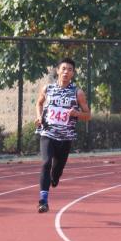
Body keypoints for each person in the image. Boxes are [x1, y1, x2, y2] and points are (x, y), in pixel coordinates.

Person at [35, 58, 91, 213]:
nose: (66, 72)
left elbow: (88, 115)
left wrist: (77, 113)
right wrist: (39, 117)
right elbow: (39, 103)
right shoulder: (47, 88)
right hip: (47, 133)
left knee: (57, 171)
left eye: (70, 69)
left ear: (73, 73)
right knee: (45, 163)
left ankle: (55, 177)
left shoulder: (77, 93)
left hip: (65, 137)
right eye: (64, 68)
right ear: (58, 70)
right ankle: (43, 201)